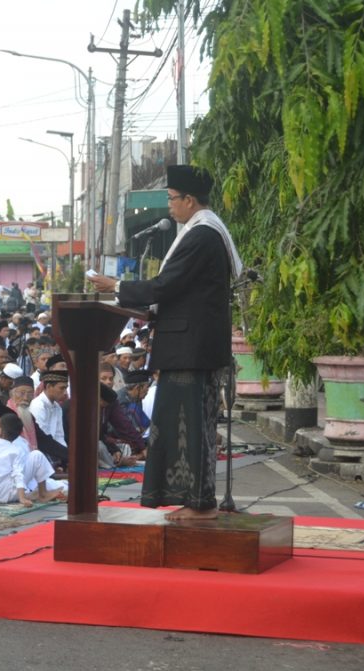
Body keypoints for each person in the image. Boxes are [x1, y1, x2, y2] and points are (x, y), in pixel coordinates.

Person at [89, 164, 242, 520]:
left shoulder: (202, 234)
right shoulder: (201, 231)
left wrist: (117, 287)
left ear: (190, 200)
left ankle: (198, 504)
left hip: (191, 347)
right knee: (183, 427)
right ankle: (194, 500)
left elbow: (166, 286)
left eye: (173, 199)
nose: (170, 207)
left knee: (189, 429)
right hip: (189, 345)